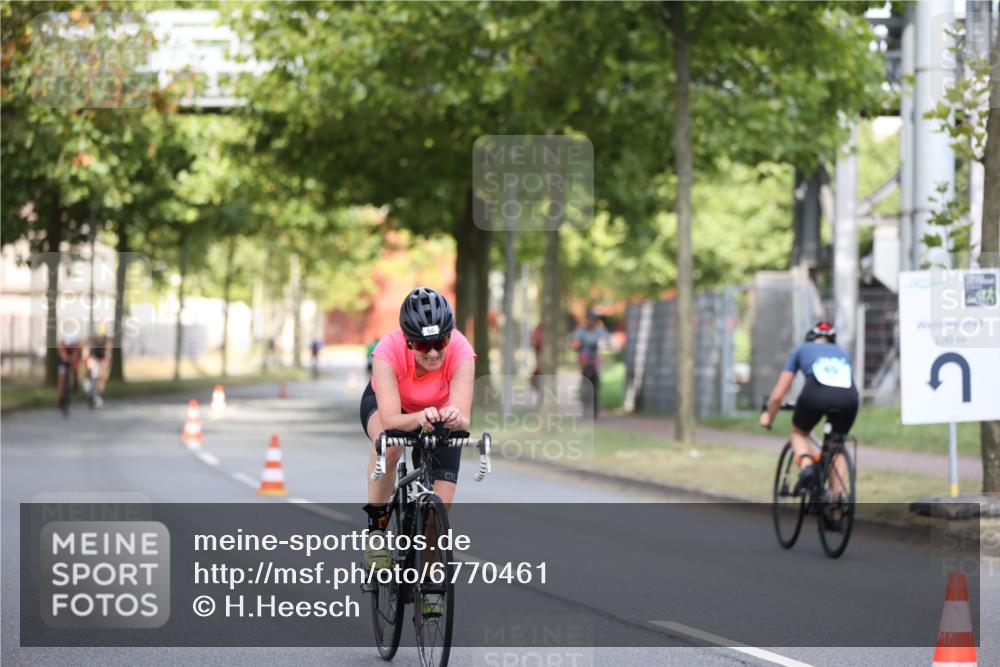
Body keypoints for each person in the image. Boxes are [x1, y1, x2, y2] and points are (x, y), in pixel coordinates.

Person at [360, 287, 476, 589]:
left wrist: (454, 418)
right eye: (424, 346)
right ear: (408, 341)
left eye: (440, 342)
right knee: (391, 444)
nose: (434, 352)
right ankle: (376, 533)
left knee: (442, 500)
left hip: (438, 415)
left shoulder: (462, 351)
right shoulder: (387, 351)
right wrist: (420, 417)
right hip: (392, 408)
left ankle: (426, 578)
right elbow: (391, 420)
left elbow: (464, 417)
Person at [759, 321, 859, 512]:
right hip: (849, 398)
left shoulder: (801, 350)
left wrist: (768, 417)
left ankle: (806, 467)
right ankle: (836, 503)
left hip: (816, 393)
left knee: (799, 432)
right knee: (836, 446)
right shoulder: (842, 353)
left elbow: (779, 394)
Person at [571, 310, 609, 418]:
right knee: (585, 386)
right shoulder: (581, 331)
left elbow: (608, 340)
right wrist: (578, 346)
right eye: (590, 320)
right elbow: (575, 344)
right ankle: (585, 408)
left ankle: (594, 410)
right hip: (584, 361)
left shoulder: (599, 330)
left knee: (595, 386)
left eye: (593, 320)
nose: (591, 322)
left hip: (594, 360)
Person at [57, 331, 83, 414]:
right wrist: (66, 358)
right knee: (62, 376)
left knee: (75, 369)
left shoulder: (77, 345)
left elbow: (76, 355)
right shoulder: (62, 344)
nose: (70, 346)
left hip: (74, 360)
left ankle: (75, 383)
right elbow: (63, 355)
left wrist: (73, 361)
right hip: (63, 361)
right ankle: (61, 396)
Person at [85, 325, 110, 407]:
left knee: (101, 377)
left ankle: (97, 394)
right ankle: (91, 390)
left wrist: (106, 360)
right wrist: (87, 358)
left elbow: (108, 351)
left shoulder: (107, 340)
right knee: (94, 376)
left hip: (100, 360)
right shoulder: (94, 339)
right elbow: (88, 350)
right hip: (93, 359)